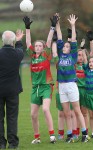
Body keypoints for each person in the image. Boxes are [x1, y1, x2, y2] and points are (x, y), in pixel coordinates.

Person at [52, 13, 89, 143]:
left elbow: (73, 40)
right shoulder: (60, 56)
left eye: (68, 46)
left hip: (71, 85)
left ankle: (84, 134)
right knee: (67, 113)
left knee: (77, 110)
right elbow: (59, 36)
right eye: (64, 46)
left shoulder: (73, 57)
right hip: (62, 85)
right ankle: (69, 135)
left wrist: (73, 25)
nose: (66, 47)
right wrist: (57, 23)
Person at [23, 15, 58, 144]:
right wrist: (27, 28)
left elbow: (49, 41)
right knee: (33, 115)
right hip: (35, 88)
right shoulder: (32, 56)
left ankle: (52, 135)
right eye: (36, 46)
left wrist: (52, 27)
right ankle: (37, 137)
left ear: (43, 48)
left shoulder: (46, 55)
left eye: (39, 46)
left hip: (46, 86)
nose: (37, 47)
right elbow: (27, 42)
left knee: (45, 109)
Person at [0, 29, 24, 149]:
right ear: (13, 41)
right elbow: (20, 48)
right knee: (12, 117)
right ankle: (13, 143)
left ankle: (1, 143)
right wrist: (18, 40)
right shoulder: (17, 54)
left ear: (2, 41)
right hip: (13, 91)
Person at [76, 31, 93, 136]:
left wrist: (91, 41)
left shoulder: (87, 65)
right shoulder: (73, 65)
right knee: (76, 112)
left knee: (84, 112)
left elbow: (92, 52)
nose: (80, 57)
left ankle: (86, 131)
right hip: (75, 90)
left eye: (81, 55)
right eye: (78, 55)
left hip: (84, 90)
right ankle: (76, 132)